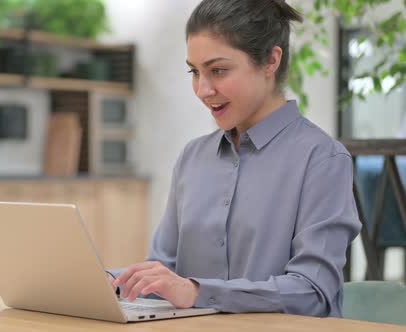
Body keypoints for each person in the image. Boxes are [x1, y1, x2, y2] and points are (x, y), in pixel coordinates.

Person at [108, 0, 361, 317]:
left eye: (218, 71)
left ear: (270, 60)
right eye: (194, 71)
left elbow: (312, 292)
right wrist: (110, 281)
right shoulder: (192, 158)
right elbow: (164, 268)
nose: (202, 89)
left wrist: (198, 292)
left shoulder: (323, 159)